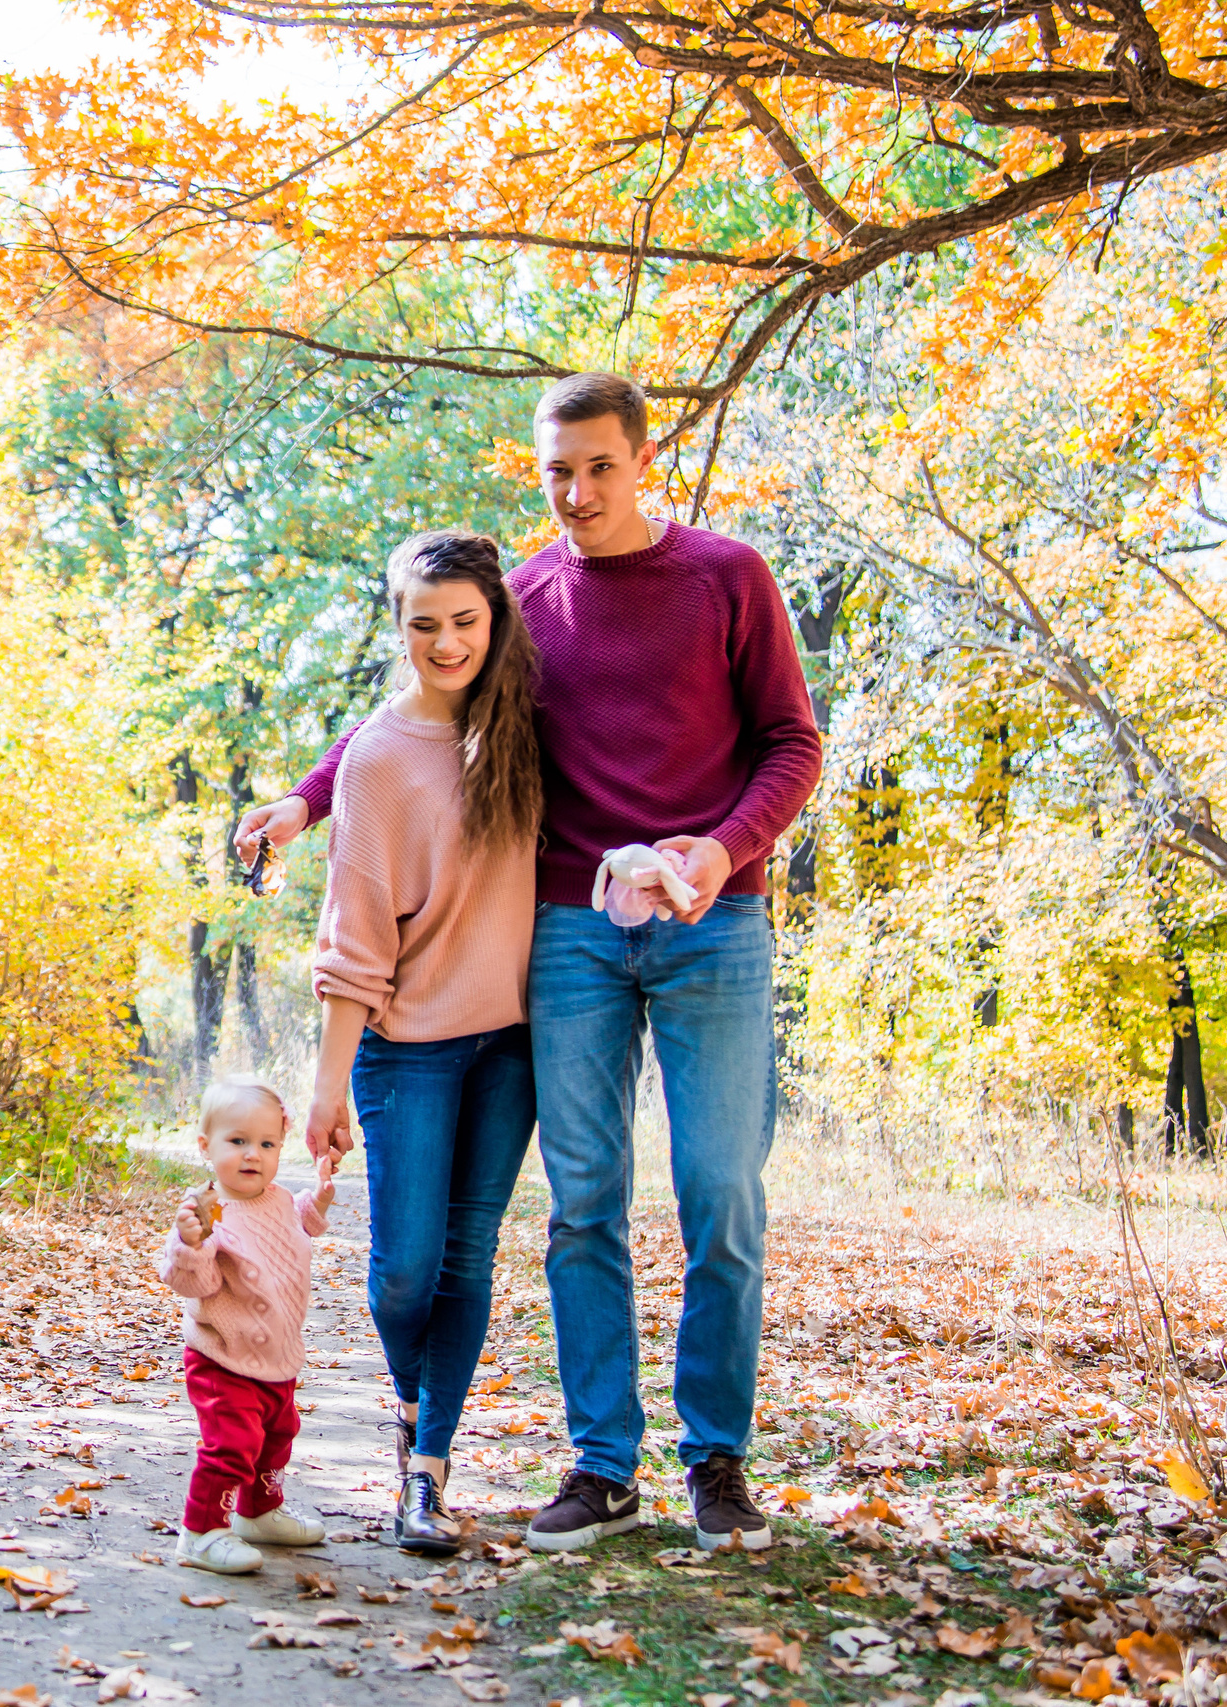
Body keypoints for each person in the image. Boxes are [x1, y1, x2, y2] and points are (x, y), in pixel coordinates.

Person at [241, 373, 822, 1555]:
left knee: (721, 1197)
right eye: (557, 472)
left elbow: (792, 746)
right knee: (582, 1206)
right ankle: (603, 1464)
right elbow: (411, 709)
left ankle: (717, 1462)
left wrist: (715, 854)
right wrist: (304, 807)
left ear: (643, 459)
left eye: (600, 467)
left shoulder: (726, 577)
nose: (577, 493)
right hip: (569, 931)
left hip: (714, 923)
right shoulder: (524, 601)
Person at [301, 529, 541, 1555]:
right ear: (395, 625)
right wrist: (325, 1086)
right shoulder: (375, 759)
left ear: (495, 620)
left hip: (514, 1047)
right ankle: (408, 1417)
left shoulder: (531, 727)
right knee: (405, 1269)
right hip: (404, 1047)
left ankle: (428, 1472)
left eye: (465, 622)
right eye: (423, 624)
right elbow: (353, 942)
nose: (446, 642)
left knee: (468, 1259)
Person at [160, 1076, 338, 1574]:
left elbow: (295, 1223)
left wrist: (318, 1200)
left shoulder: (278, 1198)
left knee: (278, 1435)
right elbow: (189, 1281)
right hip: (223, 1356)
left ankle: (259, 1512)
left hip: (276, 1354)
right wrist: (191, 1244)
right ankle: (200, 1532)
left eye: (266, 1144)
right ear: (206, 1146)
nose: (252, 1155)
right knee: (232, 1445)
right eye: (237, 1142)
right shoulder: (208, 1212)